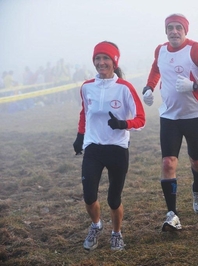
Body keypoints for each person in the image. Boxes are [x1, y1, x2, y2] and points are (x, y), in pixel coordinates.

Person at [142, 13, 198, 231]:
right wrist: (149, 87)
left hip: (195, 115)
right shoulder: (161, 50)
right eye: (170, 28)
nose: (174, 31)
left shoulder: (196, 49)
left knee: (197, 162)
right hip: (169, 116)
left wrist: (196, 85)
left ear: (185, 31)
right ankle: (172, 214)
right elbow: (156, 68)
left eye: (178, 28)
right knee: (168, 163)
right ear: (166, 31)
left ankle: (197, 189)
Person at [73, 41, 146, 251]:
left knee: (114, 199)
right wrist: (80, 136)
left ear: (114, 62)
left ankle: (116, 233)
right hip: (93, 148)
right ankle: (96, 225)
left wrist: (124, 124)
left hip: (117, 148)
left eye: (106, 58)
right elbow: (84, 113)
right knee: (89, 196)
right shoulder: (87, 87)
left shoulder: (125, 88)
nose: (101, 62)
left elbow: (141, 119)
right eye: (97, 58)